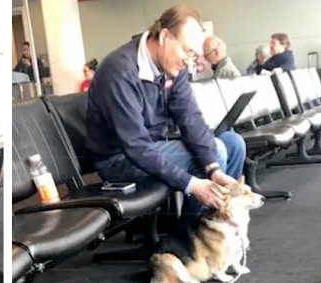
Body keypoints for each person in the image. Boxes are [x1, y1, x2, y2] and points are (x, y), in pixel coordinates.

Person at [86, 4, 246, 224]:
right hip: (119, 160)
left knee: (233, 144)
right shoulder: (119, 71)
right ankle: (187, 241)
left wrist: (214, 169)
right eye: (188, 51)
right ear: (164, 37)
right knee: (217, 149)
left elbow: (190, 119)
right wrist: (194, 185)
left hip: (152, 147)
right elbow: (137, 146)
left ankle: (216, 225)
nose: (189, 62)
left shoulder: (174, 67)